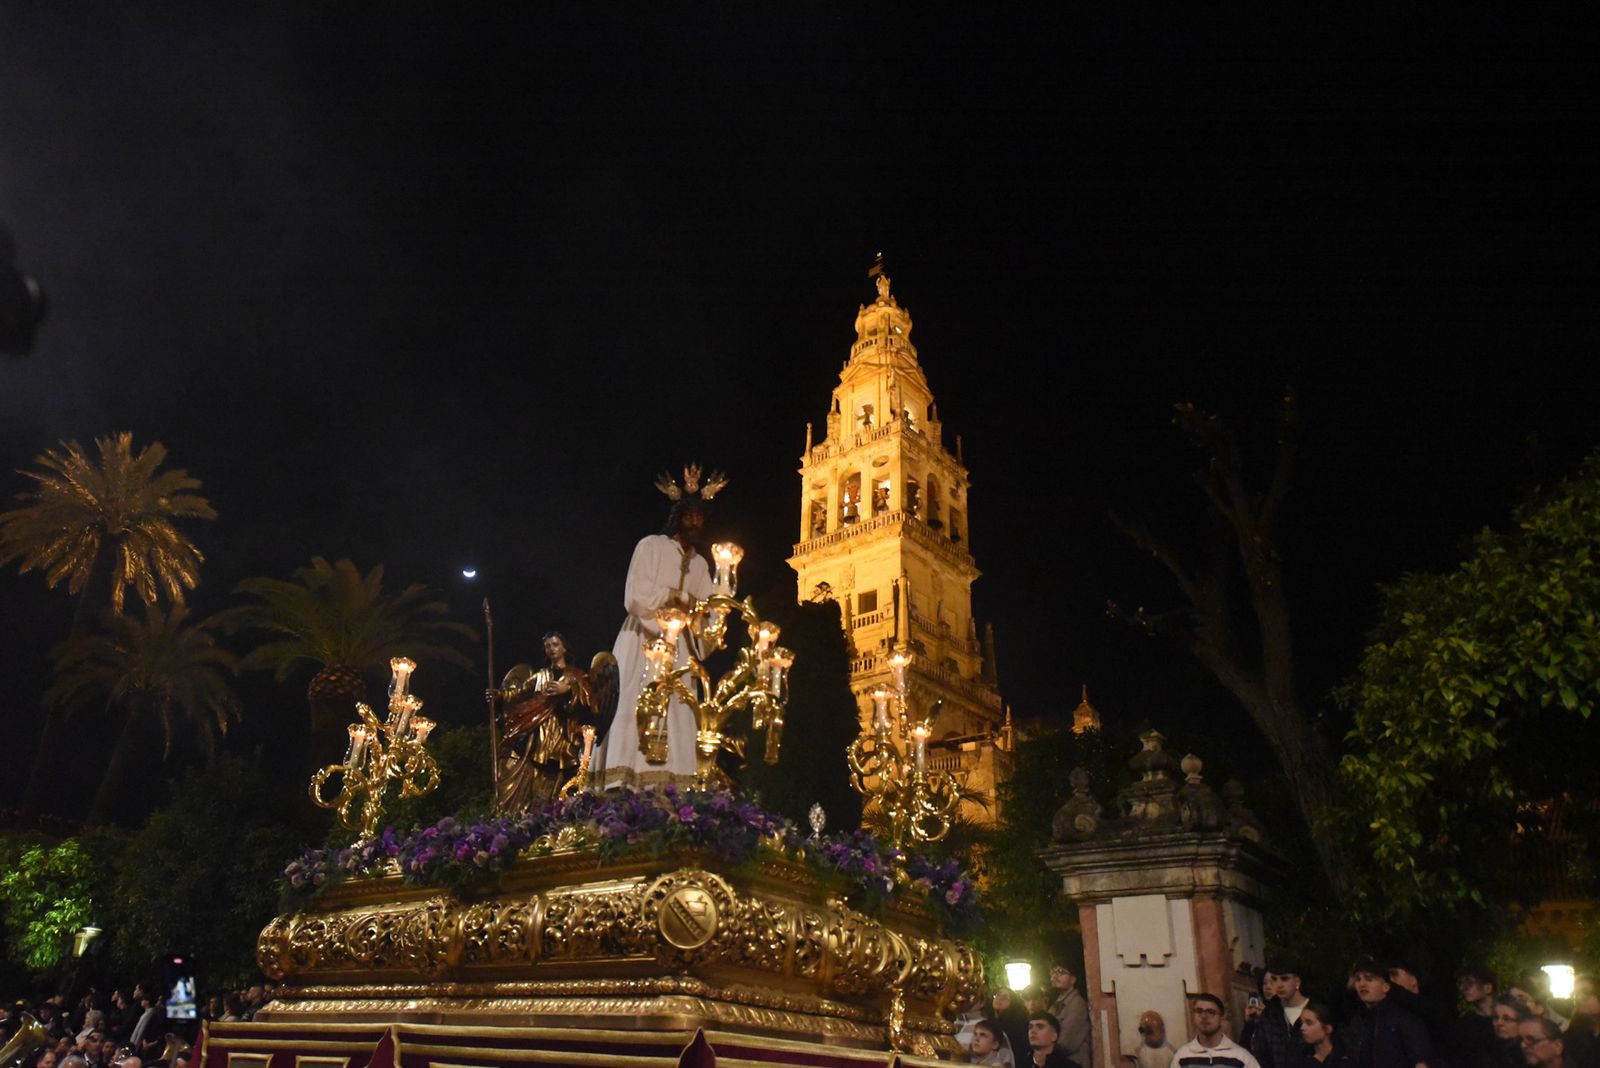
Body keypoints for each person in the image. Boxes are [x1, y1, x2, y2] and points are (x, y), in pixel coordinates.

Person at [593, 464, 724, 790]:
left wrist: (705, 620)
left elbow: (712, 611)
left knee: (680, 709)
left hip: (680, 648)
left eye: (700, 518)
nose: (695, 523)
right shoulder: (650, 546)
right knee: (633, 702)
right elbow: (635, 595)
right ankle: (621, 783)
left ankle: (672, 788)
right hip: (642, 639)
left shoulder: (701, 564)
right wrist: (676, 598)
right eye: (690, 516)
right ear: (678, 516)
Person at [491, 632, 612, 813]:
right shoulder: (541, 676)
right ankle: (534, 811)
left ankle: (556, 809)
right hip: (541, 731)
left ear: (564, 648)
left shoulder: (576, 676)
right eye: (548, 646)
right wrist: (500, 695)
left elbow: (589, 700)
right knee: (536, 770)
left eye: (555, 644)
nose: (551, 649)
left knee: (560, 772)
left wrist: (568, 690)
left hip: (564, 732)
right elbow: (519, 693)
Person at [1345, 958, 1433, 1068]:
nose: (1362, 984)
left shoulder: (1404, 1019)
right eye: (1358, 979)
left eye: (1369, 979)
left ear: (1385, 987)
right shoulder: (1358, 1023)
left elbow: (1421, 1062)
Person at [1245, 959, 1311, 1068]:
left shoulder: (1315, 1009)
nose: (1279, 984)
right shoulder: (1269, 1014)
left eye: (1285, 979)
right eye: (1275, 979)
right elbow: (1260, 1055)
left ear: (1297, 981)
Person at [1171, 994, 1263, 1068]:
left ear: (1221, 1018)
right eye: (1199, 1011)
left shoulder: (1240, 1057)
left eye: (1210, 1012)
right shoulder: (1182, 1056)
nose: (1204, 1016)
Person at [1048, 963, 1092, 1068]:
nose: (1055, 976)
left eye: (1061, 972)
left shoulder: (1077, 1005)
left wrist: (1044, 1046)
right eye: (1053, 972)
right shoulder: (1055, 1005)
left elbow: (1066, 1044)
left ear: (1073, 979)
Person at [1301, 1001, 1355, 1068]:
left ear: (1327, 1028)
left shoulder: (1346, 1059)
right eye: (1302, 1023)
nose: (1302, 1028)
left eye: (1309, 1023)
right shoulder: (1301, 1059)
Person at [993, 990, 1033, 1068]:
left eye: (1005, 997)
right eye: (998, 995)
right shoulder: (991, 1021)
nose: (1000, 998)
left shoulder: (1015, 1025)